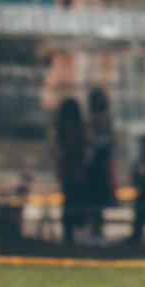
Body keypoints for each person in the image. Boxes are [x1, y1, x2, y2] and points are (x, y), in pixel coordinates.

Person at [84, 88, 116, 244]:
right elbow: (89, 140)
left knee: (103, 199)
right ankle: (92, 231)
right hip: (93, 165)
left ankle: (100, 231)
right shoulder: (90, 120)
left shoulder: (107, 119)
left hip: (104, 163)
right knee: (93, 200)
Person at [55, 98, 88, 243]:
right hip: (76, 169)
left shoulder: (61, 126)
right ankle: (72, 231)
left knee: (68, 200)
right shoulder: (72, 127)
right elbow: (74, 146)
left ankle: (69, 232)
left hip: (68, 169)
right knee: (75, 200)